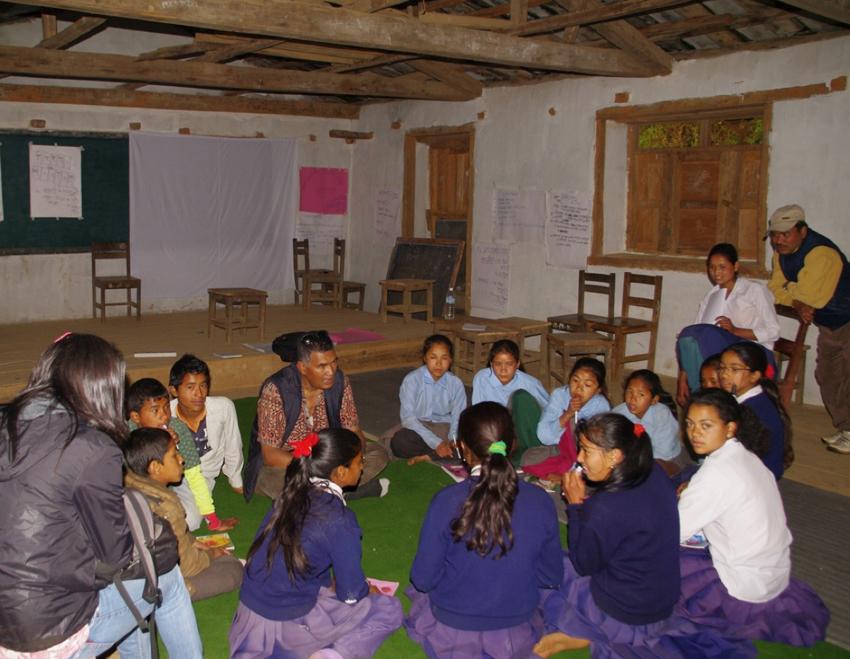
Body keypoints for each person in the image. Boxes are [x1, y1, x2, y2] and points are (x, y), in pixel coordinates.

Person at [0, 333, 203, 659]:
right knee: (166, 577)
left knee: (134, 585)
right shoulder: (91, 446)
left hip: (9, 614)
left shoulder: (9, 424)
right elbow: (115, 556)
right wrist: (160, 538)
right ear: (104, 386)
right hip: (42, 632)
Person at [534, 413, 733, 659]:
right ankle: (587, 630)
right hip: (659, 602)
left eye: (586, 450)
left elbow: (584, 564)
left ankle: (589, 628)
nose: (579, 458)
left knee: (548, 569)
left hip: (623, 611)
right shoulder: (653, 472)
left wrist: (575, 506)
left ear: (615, 455)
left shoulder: (606, 506)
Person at [404, 402, 563, 659]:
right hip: (516, 627)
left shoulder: (446, 501)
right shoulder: (541, 501)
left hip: (452, 627)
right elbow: (551, 576)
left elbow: (423, 579)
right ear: (512, 443)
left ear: (464, 449)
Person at [230, 427, 403, 659]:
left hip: (248, 624)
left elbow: (299, 551)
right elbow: (350, 594)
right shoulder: (340, 520)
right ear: (340, 473)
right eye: (359, 462)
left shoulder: (288, 494)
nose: (362, 466)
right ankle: (333, 655)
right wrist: (366, 591)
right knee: (389, 609)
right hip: (286, 626)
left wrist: (327, 584)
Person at [677, 389, 829, 647]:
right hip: (774, 571)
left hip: (742, 584)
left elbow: (672, 531)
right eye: (690, 424)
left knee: (653, 557)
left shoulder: (715, 474)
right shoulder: (747, 457)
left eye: (706, 425)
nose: (695, 433)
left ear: (730, 428)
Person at [244, 330, 389, 501]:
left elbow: (354, 432)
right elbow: (270, 454)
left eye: (334, 363)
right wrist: (316, 471)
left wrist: (355, 456)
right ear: (302, 367)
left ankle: (315, 496)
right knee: (270, 478)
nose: (330, 372)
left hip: (326, 456)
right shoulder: (276, 389)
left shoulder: (340, 382)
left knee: (378, 453)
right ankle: (341, 491)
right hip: (290, 463)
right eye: (321, 366)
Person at [124, 426, 244, 602]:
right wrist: (212, 555)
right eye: (174, 455)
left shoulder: (129, 481)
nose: (181, 459)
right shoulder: (167, 507)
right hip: (152, 582)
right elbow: (187, 565)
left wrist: (202, 545)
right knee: (233, 571)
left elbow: (177, 534)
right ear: (155, 467)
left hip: (129, 573)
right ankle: (167, 597)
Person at [765, 204, 850, 453]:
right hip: (831, 325)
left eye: (785, 234)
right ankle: (847, 429)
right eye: (774, 235)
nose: (778, 240)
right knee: (828, 375)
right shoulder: (781, 254)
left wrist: (792, 291)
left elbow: (813, 298)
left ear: (803, 231)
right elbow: (773, 289)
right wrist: (796, 298)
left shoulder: (821, 253)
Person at [676, 243, 781, 407]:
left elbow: (773, 331)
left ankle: (706, 399)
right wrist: (683, 377)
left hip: (754, 351)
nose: (716, 272)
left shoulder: (754, 291)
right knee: (688, 335)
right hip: (721, 350)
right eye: (712, 267)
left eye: (722, 267)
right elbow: (692, 338)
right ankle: (702, 397)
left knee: (705, 334)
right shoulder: (711, 296)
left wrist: (735, 331)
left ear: (736, 266)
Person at [128, 377, 237, 532]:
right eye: (155, 410)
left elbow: (194, 475)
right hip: (137, 491)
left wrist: (213, 520)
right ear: (136, 417)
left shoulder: (177, 427)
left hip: (175, 483)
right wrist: (160, 446)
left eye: (166, 407)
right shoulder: (125, 435)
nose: (164, 416)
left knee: (189, 520)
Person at [383, 334, 468, 465]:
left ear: (450, 360)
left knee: (468, 445)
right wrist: (436, 443)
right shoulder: (412, 380)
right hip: (419, 428)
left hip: (444, 429)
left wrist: (453, 439)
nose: (439, 363)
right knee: (400, 442)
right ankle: (442, 454)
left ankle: (430, 456)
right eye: (433, 357)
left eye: (444, 358)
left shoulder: (455, 384)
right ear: (425, 358)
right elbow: (408, 419)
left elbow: (458, 416)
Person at [522, 357, 610, 479]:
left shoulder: (600, 406)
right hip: (561, 450)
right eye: (575, 381)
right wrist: (568, 414)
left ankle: (574, 474)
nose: (579, 388)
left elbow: (597, 448)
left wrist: (572, 473)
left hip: (584, 455)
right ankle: (569, 471)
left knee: (578, 426)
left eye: (587, 385)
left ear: (597, 391)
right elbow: (544, 437)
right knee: (528, 461)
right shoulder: (559, 395)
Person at [169, 354, 244, 492]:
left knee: (190, 512)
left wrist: (236, 480)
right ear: (174, 390)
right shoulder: (165, 415)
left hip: (204, 476)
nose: (199, 394)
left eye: (203, 385)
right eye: (191, 387)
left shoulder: (223, 407)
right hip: (169, 474)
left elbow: (233, 445)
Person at [718, 342, 792, 479]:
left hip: (754, 479)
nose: (724, 374)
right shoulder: (754, 398)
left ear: (754, 376)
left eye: (734, 369)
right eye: (722, 368)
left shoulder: (752, 410)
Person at [471, 339, 549, 458]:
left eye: (509, 364)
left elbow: (548, 411)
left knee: (520, 397)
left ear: (518, 364)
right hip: (495, 433)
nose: (503, 369)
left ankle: (531, 455)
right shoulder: (482, 378)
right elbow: (479, 413)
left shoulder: (530, 384)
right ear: (491, 364)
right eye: (498, 364)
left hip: (523, 432)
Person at [611, 370, 685, 475]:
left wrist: (633, 460)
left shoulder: (663, 415)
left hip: (666, 458)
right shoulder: (618, 413)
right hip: (629, 458)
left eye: (641, 394)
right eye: (630, 392)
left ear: (654, 399)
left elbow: (662, 452)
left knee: (656, 471)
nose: (633, 399)